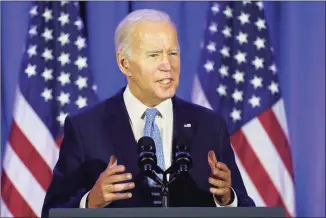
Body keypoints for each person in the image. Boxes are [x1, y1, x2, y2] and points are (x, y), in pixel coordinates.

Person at [42, 9, 255, 217]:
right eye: (154, 55)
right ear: (124, 64)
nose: (167, 65)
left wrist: (228, 199)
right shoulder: (85, 128)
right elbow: (52, 212)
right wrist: (91, 202)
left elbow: (246, 209)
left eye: (173, 53)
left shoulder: (210, 125)